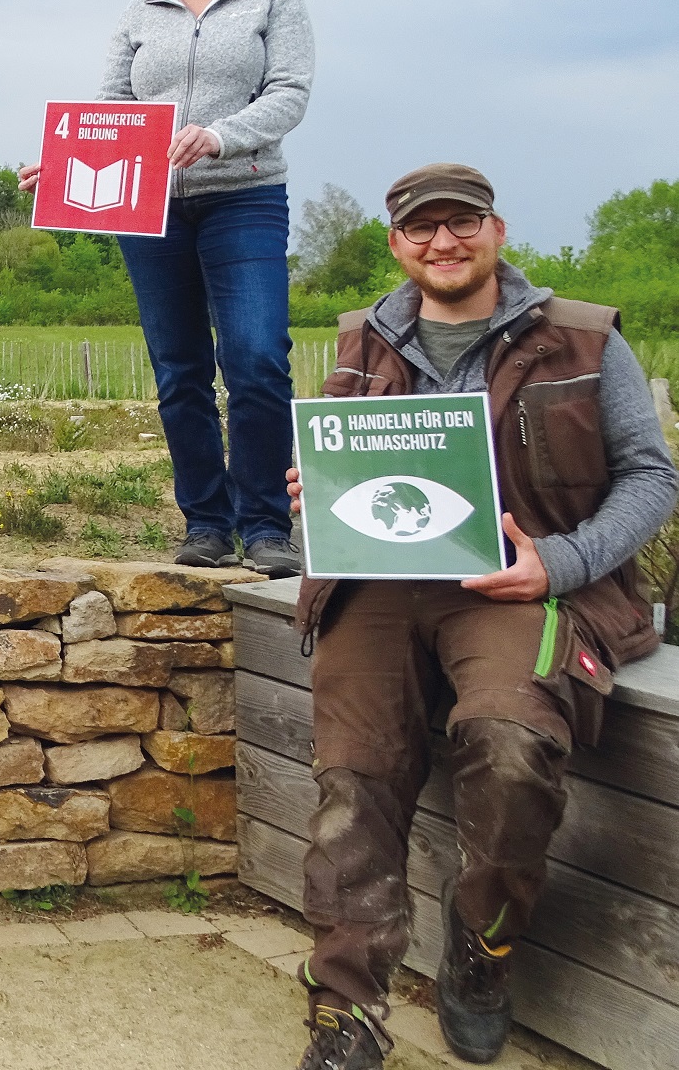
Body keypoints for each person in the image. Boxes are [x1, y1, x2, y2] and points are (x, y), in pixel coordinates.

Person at [282, 164, 675, 1070]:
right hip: (375, 588)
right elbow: (340, 477)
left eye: (462, 225)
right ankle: (346, 1009)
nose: (443, 243)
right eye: (423, 229)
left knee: (509, 745)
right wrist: (314, 492)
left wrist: (559, 562)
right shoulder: (359, 342)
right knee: (353, 780)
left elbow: (653, 477)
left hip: (516, 584)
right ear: (397, 245)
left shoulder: (583, 340)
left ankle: (483, 946)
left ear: (497, 232)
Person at [20, 0, 314, 574]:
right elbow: (112, 113)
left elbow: (290, 93)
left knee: (255, 357)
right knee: (179, 367)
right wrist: (60, 165)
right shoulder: (138, 14)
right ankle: (206, 522)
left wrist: (221, 134)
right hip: (150, 211)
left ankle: (267, 525)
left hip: (243, 196)